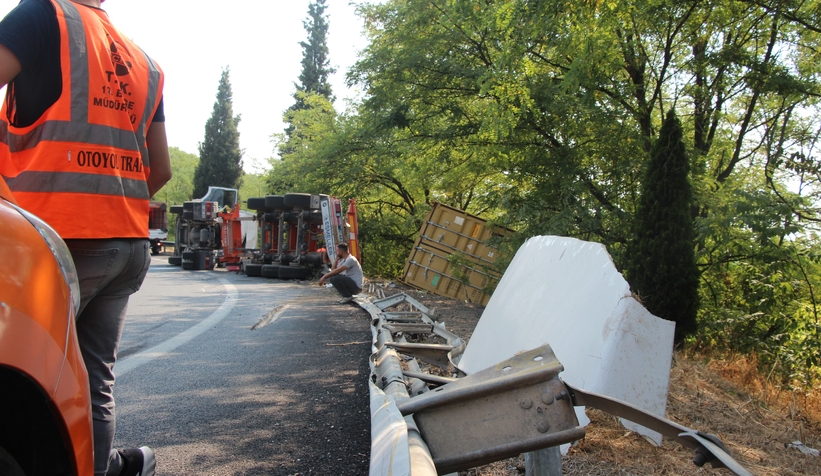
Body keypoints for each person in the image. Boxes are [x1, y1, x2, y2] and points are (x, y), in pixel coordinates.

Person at [0, 1, 170, 475]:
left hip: (51, 240)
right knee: (93, 384)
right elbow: (161, 169)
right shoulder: (144, 62)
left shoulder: (41, 16)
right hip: (126, 244)